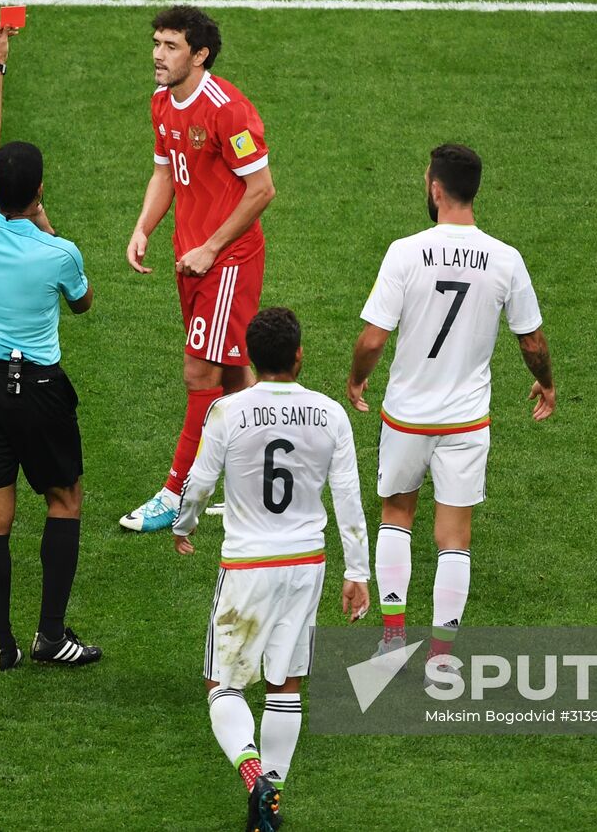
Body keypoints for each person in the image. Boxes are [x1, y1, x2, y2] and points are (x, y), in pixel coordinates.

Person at [346, 144, 555, 674]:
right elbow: (531, 342)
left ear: (436, 188)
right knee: (454, 537)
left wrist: (356, 379)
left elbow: (372, 338)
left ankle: (392, 643)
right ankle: (442, 660)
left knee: (396, 516)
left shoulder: (405, 251)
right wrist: (546, 384)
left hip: (408, 416)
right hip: (465, 421)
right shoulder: (506, 258)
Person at [174, 307, 371, 832]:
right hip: (307, 564)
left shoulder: (228, 412)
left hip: (247, 565)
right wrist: (359, 573)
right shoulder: (330, 414)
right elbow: (348, 498)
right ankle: (273, 802)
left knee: (224, 686)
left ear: (252, 358)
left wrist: (183, 525)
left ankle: (254, 775)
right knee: (286, 686)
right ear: (300, 355)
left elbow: (198, 482)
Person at [0, 21, 101, 671]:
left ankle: (0, 642)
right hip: (39, 390)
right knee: (64, 498)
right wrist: (47, 225)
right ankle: (50, 633)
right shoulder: (59, 252)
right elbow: (83, 301)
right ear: (39, 191)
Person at [120, 5, 278, 533]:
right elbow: (165, 172)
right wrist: (145, 226)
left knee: (199, 372)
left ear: (200, 53)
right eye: (157, 43)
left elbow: (262, 190)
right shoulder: (162, 104)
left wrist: (211, 248)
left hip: (227, 260)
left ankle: (175, 492)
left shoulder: (227, 111)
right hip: (190, 260)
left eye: (170, 46)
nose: (157, 55)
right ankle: (264, 481)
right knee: (234, 376)